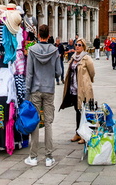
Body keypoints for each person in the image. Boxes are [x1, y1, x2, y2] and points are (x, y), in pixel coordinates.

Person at [24, 24, 62, 168]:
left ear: (39, 35)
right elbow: (58, 73)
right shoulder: (54, 50)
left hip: (35, 90)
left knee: (35, 121)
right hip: (49, 89)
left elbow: (29, 74)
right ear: (49, 35)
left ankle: (33, 157)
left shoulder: (32, 50)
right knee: (48, 122)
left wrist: (27, 92)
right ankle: (48, 157)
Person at [59, 38, 95, 143]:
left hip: (83, 89)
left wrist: (87, 81)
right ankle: (78, 133)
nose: (77, 46)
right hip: (73, 89)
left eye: (79, 45)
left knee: (84, 111)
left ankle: (85, 134)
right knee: (77, 111)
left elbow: (92, 72)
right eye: (76, 44)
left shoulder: (86, 58)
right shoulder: (73, 57)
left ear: (83, 47)